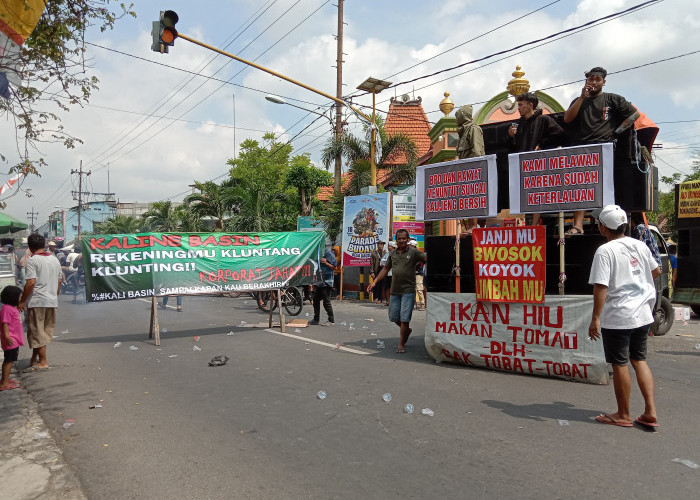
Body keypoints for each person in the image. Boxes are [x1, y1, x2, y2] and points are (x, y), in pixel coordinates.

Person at [588, 205, 660, 429]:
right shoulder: (639, 245)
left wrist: (596, 319)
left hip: (619, 315)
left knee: (619, 364)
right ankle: (650, 411)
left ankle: (623, 414)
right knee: (639, 360)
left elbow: (601, 286)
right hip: (642, 313)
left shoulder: (605, 250)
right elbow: (656, 271)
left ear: (603, 228)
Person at [563, 67, 640, 235]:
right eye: (591, 79)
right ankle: (578, 226)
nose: (594, 82)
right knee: (580, 188)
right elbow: (567, 118)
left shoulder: (611, 99)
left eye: (598, 79)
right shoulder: (579, 99)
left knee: (605, 188)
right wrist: (582, 97)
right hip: (582, 149)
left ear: (604, 82)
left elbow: (634, 115)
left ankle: (609, 226)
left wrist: (617, 131)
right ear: (586, 81)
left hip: (604, 148)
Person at [508, 91, 565, 225]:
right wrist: (511, 137)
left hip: (539, 165)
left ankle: (534, 224)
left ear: (530, 105)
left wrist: (542, 144)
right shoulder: (520, 124)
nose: (518, 108)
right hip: (523, 165)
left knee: (537, 194)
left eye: (521, 105)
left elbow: (559, 134)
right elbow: (514, 146)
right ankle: (527, 223)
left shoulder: (544, 120)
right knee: (525, 195)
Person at [367, 229, 426, 353]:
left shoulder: (414, 252)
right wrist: (375, 282)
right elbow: (386, 268)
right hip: (395, 291)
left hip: (408, 291)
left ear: (408, 239)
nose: (401, 241)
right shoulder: (392, 254)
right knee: (394, 317)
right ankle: (407, 331)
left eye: (404, 238)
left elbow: (425, 259)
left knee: (405, 318)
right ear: (396, 240)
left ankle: (401, 343)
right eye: (399, 238)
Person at [19, 233, 62, 371]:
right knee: (42, 332)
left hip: (38, 301)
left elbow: (31, 282)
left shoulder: (32, 260)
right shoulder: (55, 259)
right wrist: (53, 296)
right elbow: (59, 282)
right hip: (52, 301)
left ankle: (43, 361)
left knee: (37, 333)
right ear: (44, 245)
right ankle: (34, 359)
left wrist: (22, 300)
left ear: (30, 247)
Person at [455, 104, 485, 235]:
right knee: (465, 201)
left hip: (473, 170)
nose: (456, 119)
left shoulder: (474, 129)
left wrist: (474, 169)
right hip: (464, 172)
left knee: (473, 199)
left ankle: (474, 225)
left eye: (458, 116)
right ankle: (469, 226)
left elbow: (477, 151)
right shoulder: (462, 133)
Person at [0, 285, 24, 391]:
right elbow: (5, 323)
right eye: (19, 297)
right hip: (10, 340)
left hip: (14, 340)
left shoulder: (11, 308)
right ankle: (4, 383)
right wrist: (6, 336)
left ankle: (5, 379)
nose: (20, 299)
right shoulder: (6, 309)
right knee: (8, 360)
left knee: (10, 360)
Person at [309, 246, 337, 326]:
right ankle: (316, 319)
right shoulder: (318, 254)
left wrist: (326, 262)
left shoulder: (328, 253)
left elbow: (335, 267)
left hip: (327, 282)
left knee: (326, 302)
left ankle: (331, 320)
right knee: (316, 300)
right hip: (320, 282)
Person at [379, 240, 396, 305]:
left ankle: (393, 301)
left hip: (393, 274)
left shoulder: (395, 254)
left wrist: (386, 262)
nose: (388, 247)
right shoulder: (387, 254)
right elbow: (381, 262)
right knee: (387, 287)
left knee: (393, 288)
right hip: (387, 273)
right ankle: (388, 300)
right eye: (388, 246)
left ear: (393, 247)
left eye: (390, 246)